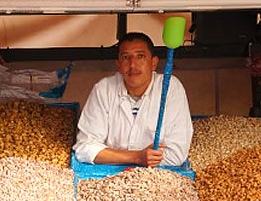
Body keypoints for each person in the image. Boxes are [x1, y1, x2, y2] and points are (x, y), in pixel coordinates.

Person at [73, 33, 192, 167]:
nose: (133, 65)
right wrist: (137, 157)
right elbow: (85, 149)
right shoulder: (103, 89)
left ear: (154, 63)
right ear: (118, 64)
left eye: (140, 56)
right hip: (108, 177)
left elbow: (176, 155)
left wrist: (114, 156)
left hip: (159, 177)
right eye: (126, 57)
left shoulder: (170, 87)